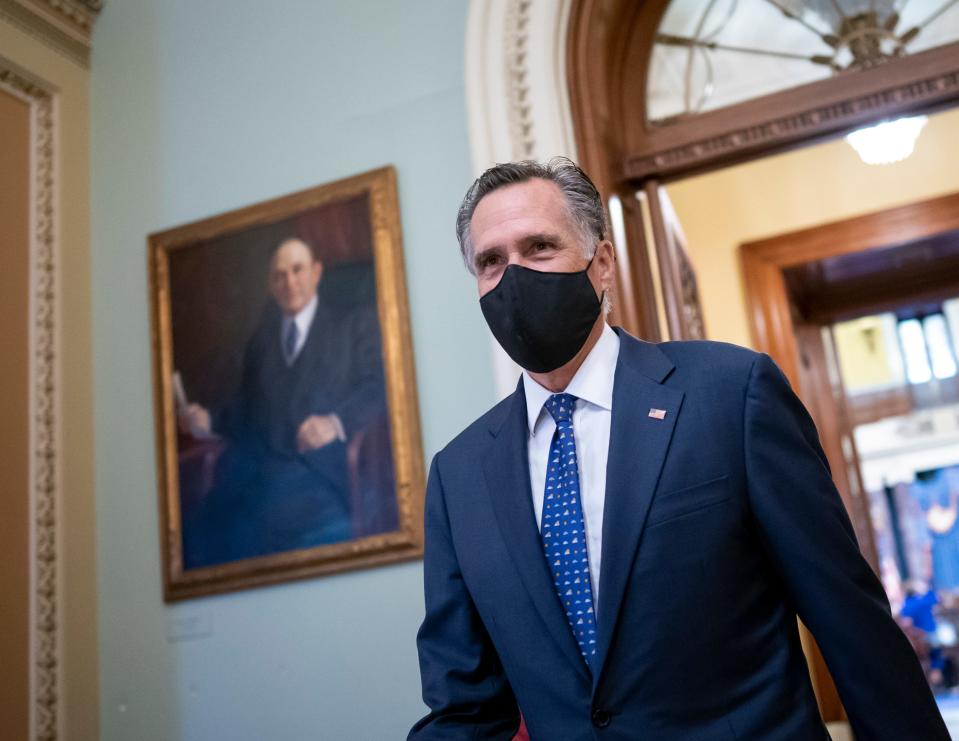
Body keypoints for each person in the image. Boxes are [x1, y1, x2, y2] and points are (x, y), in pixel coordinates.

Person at [409, 158, 949, 739]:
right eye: (492, 261)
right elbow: (466, 708)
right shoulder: (458, 475)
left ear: (603, 264)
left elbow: (850, 624)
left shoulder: (731, 393)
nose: (514, 276)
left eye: (539, 247)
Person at [179, 237, 386, 566]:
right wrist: (208, 419)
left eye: (297, 270)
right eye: (279, 275)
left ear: (316, 273)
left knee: (252, 531)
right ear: (271, 285)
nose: (289, 282)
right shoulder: (261, 341)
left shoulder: (351, 325)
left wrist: (335, 423)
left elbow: (378, 388)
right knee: (196, 531)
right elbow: (245, 407)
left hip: (319, 474)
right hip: (260, 473)